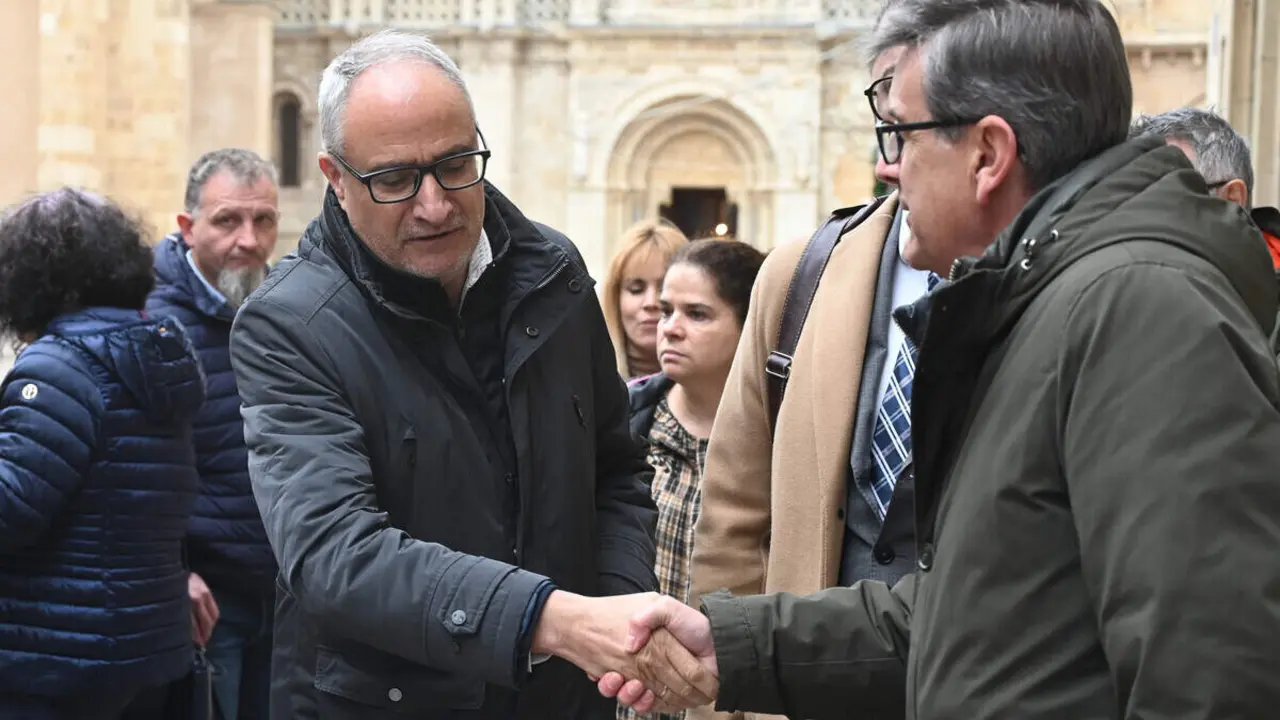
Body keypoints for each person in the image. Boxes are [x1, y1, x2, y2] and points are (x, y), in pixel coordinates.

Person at [605, 1, 1280, 718]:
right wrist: (735, 646)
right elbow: (975, 613)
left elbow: (1210, 677)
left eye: (900, 133)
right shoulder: (1044, 298)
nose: (884, 168)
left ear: (988, 155)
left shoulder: (1140, 310)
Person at [227, 29, 713, 719]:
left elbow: (615, 473)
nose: (434, 204)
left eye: (456, 163)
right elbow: (335, 556)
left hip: (565, 699)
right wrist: (561, 621)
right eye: (395, 179)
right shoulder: (290, 326)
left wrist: (618, 618)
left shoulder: (555, 275)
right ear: (335, 179)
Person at [685, 5, 929, 718]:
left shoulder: (1046, 287)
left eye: (909, 127)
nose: (889, 157)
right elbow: (734, 509)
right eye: (884, 119)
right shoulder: (804, 275)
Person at [0, 188, 207, 718]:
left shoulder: (58, 367)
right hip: (143, 651)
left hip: (60, 661)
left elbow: (12, 510)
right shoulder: (153, 351)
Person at [147, 148, 280, 720]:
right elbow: (127, 468)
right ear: (187, 227)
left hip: (286, 597)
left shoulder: (288, 312)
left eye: (264, 220)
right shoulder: (148, 322)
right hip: (204, 603)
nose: (248, 240)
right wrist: (172, 573)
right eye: (227, 220)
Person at [621, 239, 766, 720]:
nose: (670, 329)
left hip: (731, 698)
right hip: (627, 697)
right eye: (667, 311)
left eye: (697, 314)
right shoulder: (625, 428)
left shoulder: (781, 445)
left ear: (750, 328)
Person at [604, 219, 690, 379]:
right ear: (615, 298)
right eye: (636, 289)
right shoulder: (582, 380)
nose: (651, 302)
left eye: (664, 288)